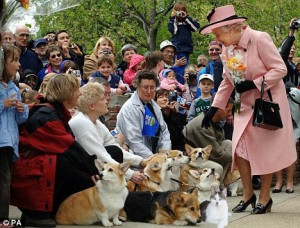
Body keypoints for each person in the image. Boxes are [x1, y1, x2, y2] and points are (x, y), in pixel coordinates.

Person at [200, 5, 297, 214]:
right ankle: (247, 194)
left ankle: (265, 197)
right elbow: (228, 81)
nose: (216, 39)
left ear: (232, 28)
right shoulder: (227, 49)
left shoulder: (260, 38)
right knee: (239, 150)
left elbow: (279, 69)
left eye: (218, 33)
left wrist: (255, 83)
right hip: (243, 105)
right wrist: (214, 107)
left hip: (266, 104)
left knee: (264, 151)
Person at [10, 74, 98, 227]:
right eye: (77, 90)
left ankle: (49, 209)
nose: (81, 93)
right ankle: (36, 213)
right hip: (29, 174)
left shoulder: (54, 112)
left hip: (31, 171)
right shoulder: (47, 116)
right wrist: (94, 169)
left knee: (75, 168)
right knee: (61, 162)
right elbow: (70, 148)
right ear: (67, 93)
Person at [69, 82, 149, 184]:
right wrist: (130, 174)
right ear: (92, 106)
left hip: (93, 168)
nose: (107, 100)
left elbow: (113, 146)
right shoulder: (81, 122)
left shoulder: (95, 121)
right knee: (112, 152)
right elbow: (101, 156)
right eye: (102, 99)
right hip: (81, 176)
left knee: (114, 150)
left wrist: (140, 161)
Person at [0, 44, 29, 224]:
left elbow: (20, 120)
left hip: (10, 141)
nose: (18, 65)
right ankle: (3, 219)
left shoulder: (13, 87)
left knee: (6, 179)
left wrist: (21, 108)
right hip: (1, 141)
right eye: (15, 60)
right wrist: (3, 104)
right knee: (4, 179)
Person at [116, 69, 171, 158]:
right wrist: (153, 158)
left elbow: (164, 132)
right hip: (137, 160)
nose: (149, 91)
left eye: (152, 87)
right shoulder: (129, 108)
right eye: (145, 87)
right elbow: (134, 142)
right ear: (137, 86)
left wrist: (165, 152)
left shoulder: (154, 106)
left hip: (157, 158)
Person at [272, 18, 299, 194]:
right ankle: (279, 182)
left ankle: (289, 182)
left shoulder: (295, 69)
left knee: (291, 147)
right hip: (278, 109)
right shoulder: (280, 65)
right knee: (275, 148)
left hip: (293, 112)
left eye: (294, 49)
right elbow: (282, 52)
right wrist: (291, 33)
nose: (291, 50)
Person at [183, 94, 234, 183]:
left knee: (229, 145)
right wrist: (238, 156)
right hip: (193, 160)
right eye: (228, 110)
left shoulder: (215, 121)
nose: (230, 114)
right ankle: (214, 187)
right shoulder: (202, 124)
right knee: (224, 161)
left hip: (205, 156)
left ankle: (219, 183)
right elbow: (216, 154)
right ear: (219, 108)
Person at [168, 1, 200, 80]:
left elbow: (195, 28)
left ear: (185, 12)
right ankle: (177, 84)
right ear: (174, 11)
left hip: (185, 49)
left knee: (183, 68)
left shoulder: (188, 21)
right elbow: (173, 31)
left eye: (181, 11)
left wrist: (186, 17)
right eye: (178, 11)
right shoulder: (173, 21)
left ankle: (182, 84)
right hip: (176, 48)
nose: (180, 14)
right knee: (178, 68)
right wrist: (172, 18)